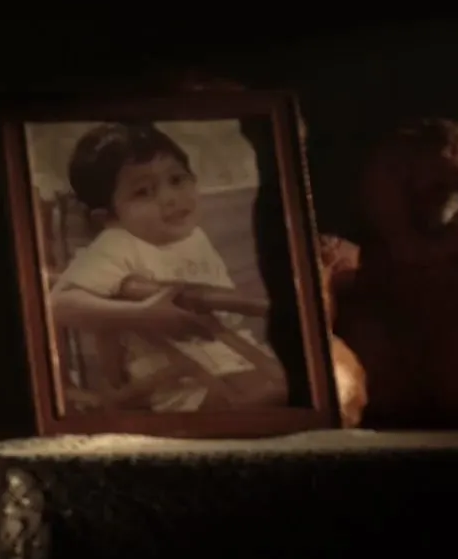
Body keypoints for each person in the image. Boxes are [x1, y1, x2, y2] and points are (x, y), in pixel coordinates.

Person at [47, 122, 285, 412]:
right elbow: (60, 304)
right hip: (175, 379)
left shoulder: (194, 236)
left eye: (176, 179)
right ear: (107, 217)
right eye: (144, 192)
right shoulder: (117, 243)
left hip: (234, 356)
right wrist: (141, 314)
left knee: (296, 384)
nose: (170, 198)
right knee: (264, 400)